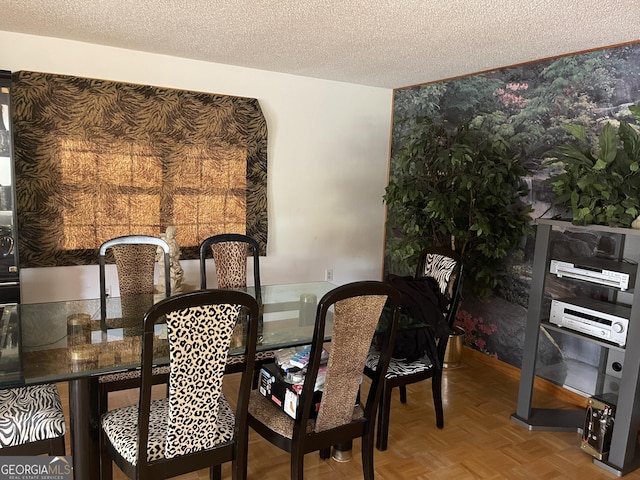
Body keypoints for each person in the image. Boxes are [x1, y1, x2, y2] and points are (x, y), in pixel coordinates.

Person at [157, 226, 184, 294]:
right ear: (167, 232)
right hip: (164, 260)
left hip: (173, 260)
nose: (172, 235)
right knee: (166, 273)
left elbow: (177, 252)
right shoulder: (163, 240)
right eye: (170, 233)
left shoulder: (174, 242)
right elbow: (158, 250)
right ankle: (168, 285)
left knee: (178, 271)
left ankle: (175, 283)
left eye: (173, 234)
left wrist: (175, 256)